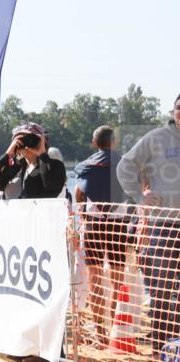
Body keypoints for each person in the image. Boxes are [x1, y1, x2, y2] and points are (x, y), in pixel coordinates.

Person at [116, 95, 180, 359]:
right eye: (179, 108)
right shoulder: (156, 138)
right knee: (161, 290)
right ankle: (162, 349)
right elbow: (125, 166)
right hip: (163, 226)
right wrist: (140, 197)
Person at [75, 125, 130, 347]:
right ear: (114, 142)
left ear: (94, 142)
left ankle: (101, 333)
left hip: (94, 224)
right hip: (118, 223)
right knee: (118, 279)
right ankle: (117, 329)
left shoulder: (86, 165)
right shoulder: (125, 163)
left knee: (95, 279)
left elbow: (79, 194)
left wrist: (83, 216)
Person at [0, 122, 67, 199]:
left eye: (30, 139)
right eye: (22, 140)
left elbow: (52, 187)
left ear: (42, 142)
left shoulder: (55, 166)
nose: (26, 144)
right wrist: (8, 155)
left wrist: (42, 155)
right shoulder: (15, 167)